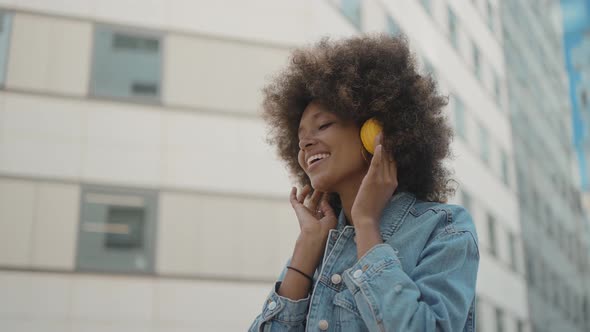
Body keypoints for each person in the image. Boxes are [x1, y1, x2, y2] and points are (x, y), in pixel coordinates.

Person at [248, 34, 479, 332]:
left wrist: (367, 224)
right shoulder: (318, 242)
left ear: (375, 132)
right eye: (300, 136)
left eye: (323, 125)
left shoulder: (445, 228)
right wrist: (305, 252)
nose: (305, 142)